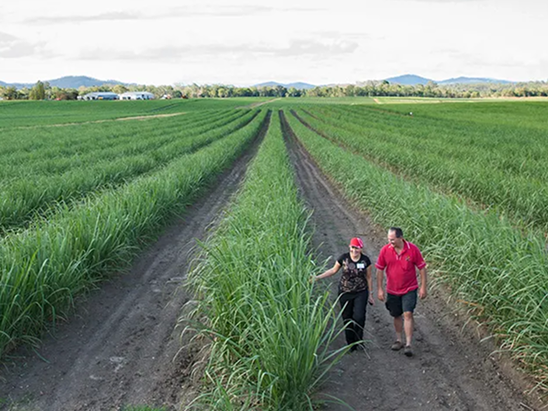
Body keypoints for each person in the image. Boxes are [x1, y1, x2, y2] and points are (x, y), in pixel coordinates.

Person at [313, 237, 374, 351]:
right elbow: (333, 270)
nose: (355, 251)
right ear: (349, 247)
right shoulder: (344, 258)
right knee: (347, 317)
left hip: (361, 292)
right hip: (345, 292)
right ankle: (351, 343)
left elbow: (369, 277)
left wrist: (370, 294)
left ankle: (359, 340)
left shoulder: (366, 260)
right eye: (353, 248)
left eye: (357, 248)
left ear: (361, 249)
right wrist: (317, 277)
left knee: (359, 317)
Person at [376, 227, 427, 357]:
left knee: (408, 313)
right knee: (396, 314)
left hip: (410, 288)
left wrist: (423, 287)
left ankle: (408, 344)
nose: (390, 242)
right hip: (392, 289)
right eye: (389, 239)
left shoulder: (413, 250)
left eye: (392, 239)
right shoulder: (385, 251)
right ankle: (399, 340)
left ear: (400, 237)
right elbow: (380, 269)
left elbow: (422, 268)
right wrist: (380, 289)